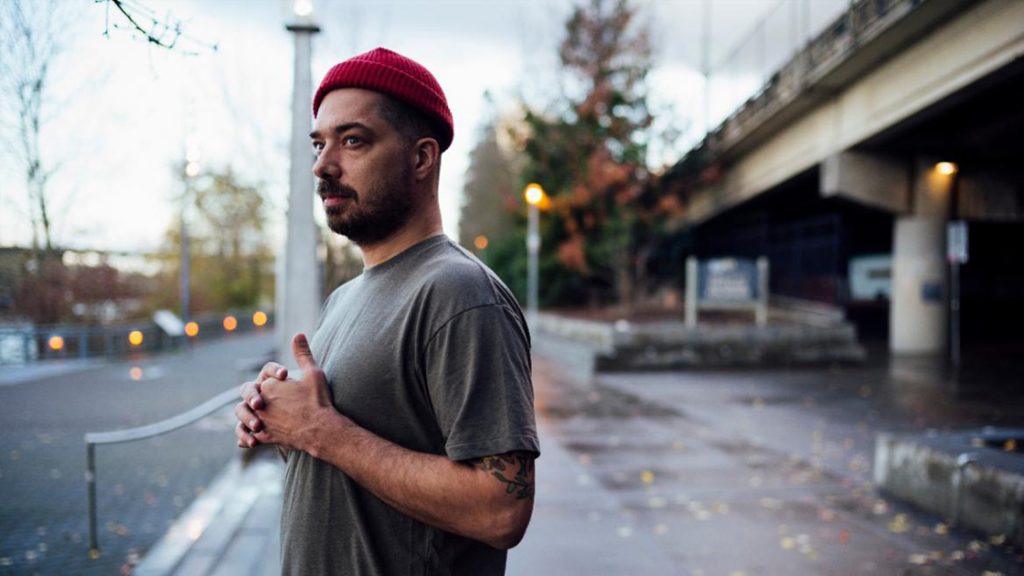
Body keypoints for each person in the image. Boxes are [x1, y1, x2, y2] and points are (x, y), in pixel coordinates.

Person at [233, 47, 540, 575]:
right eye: (319, 142)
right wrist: (280, 422)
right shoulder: (345, 299)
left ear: (421, 158)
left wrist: (321, 433)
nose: (323, 165)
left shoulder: (459, 294)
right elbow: (348, 470)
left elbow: (500, 510)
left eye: (353, 141)